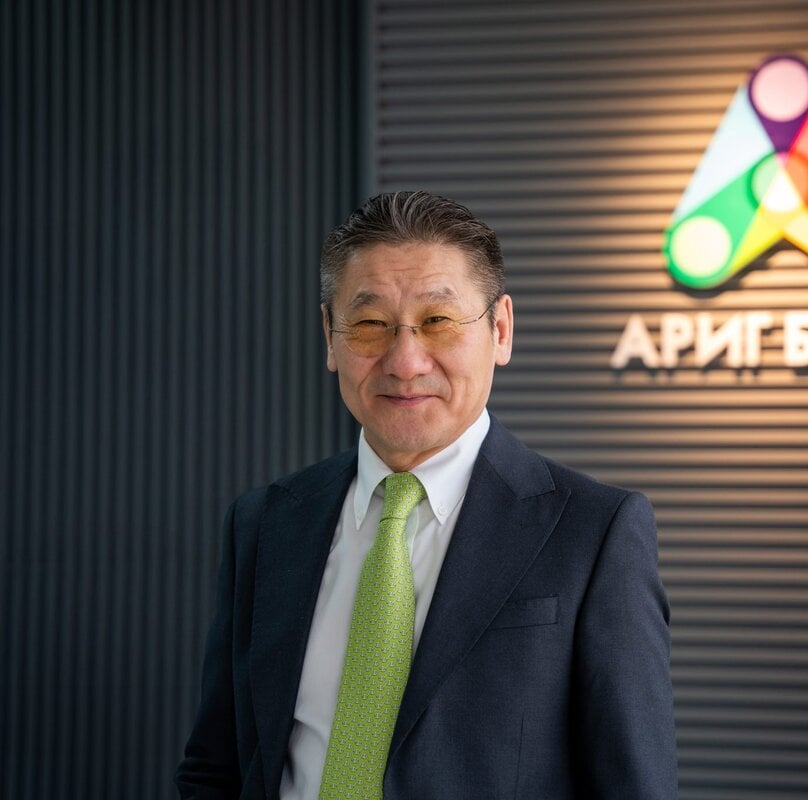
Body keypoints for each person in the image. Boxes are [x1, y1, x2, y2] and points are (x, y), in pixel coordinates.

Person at [176, 191, 677, 799]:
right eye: (369, 324)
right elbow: (217, 766)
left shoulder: (594, 533)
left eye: (438, 322)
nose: (405, 361)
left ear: (501, 329)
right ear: (330, 338)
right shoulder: (265, 523)